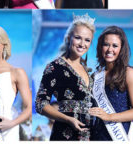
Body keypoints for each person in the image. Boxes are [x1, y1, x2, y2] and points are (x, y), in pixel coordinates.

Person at [35, 13, 96, 141]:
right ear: (68, 38)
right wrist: (68, 119)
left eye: (87, 40)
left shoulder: (87, 70)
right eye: (78, 38)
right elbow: (40, 104)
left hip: (90, 135)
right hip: (65, 134)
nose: (82, 44)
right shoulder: (54, 67)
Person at [89, 26, 133, 141]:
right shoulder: (96, 76)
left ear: (121, 49)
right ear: (100, 47)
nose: (110, 49)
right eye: (106, 44)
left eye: (115, 45)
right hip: (97, 135)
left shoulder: (128, 73)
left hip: (119, 135)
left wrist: (109, 117)